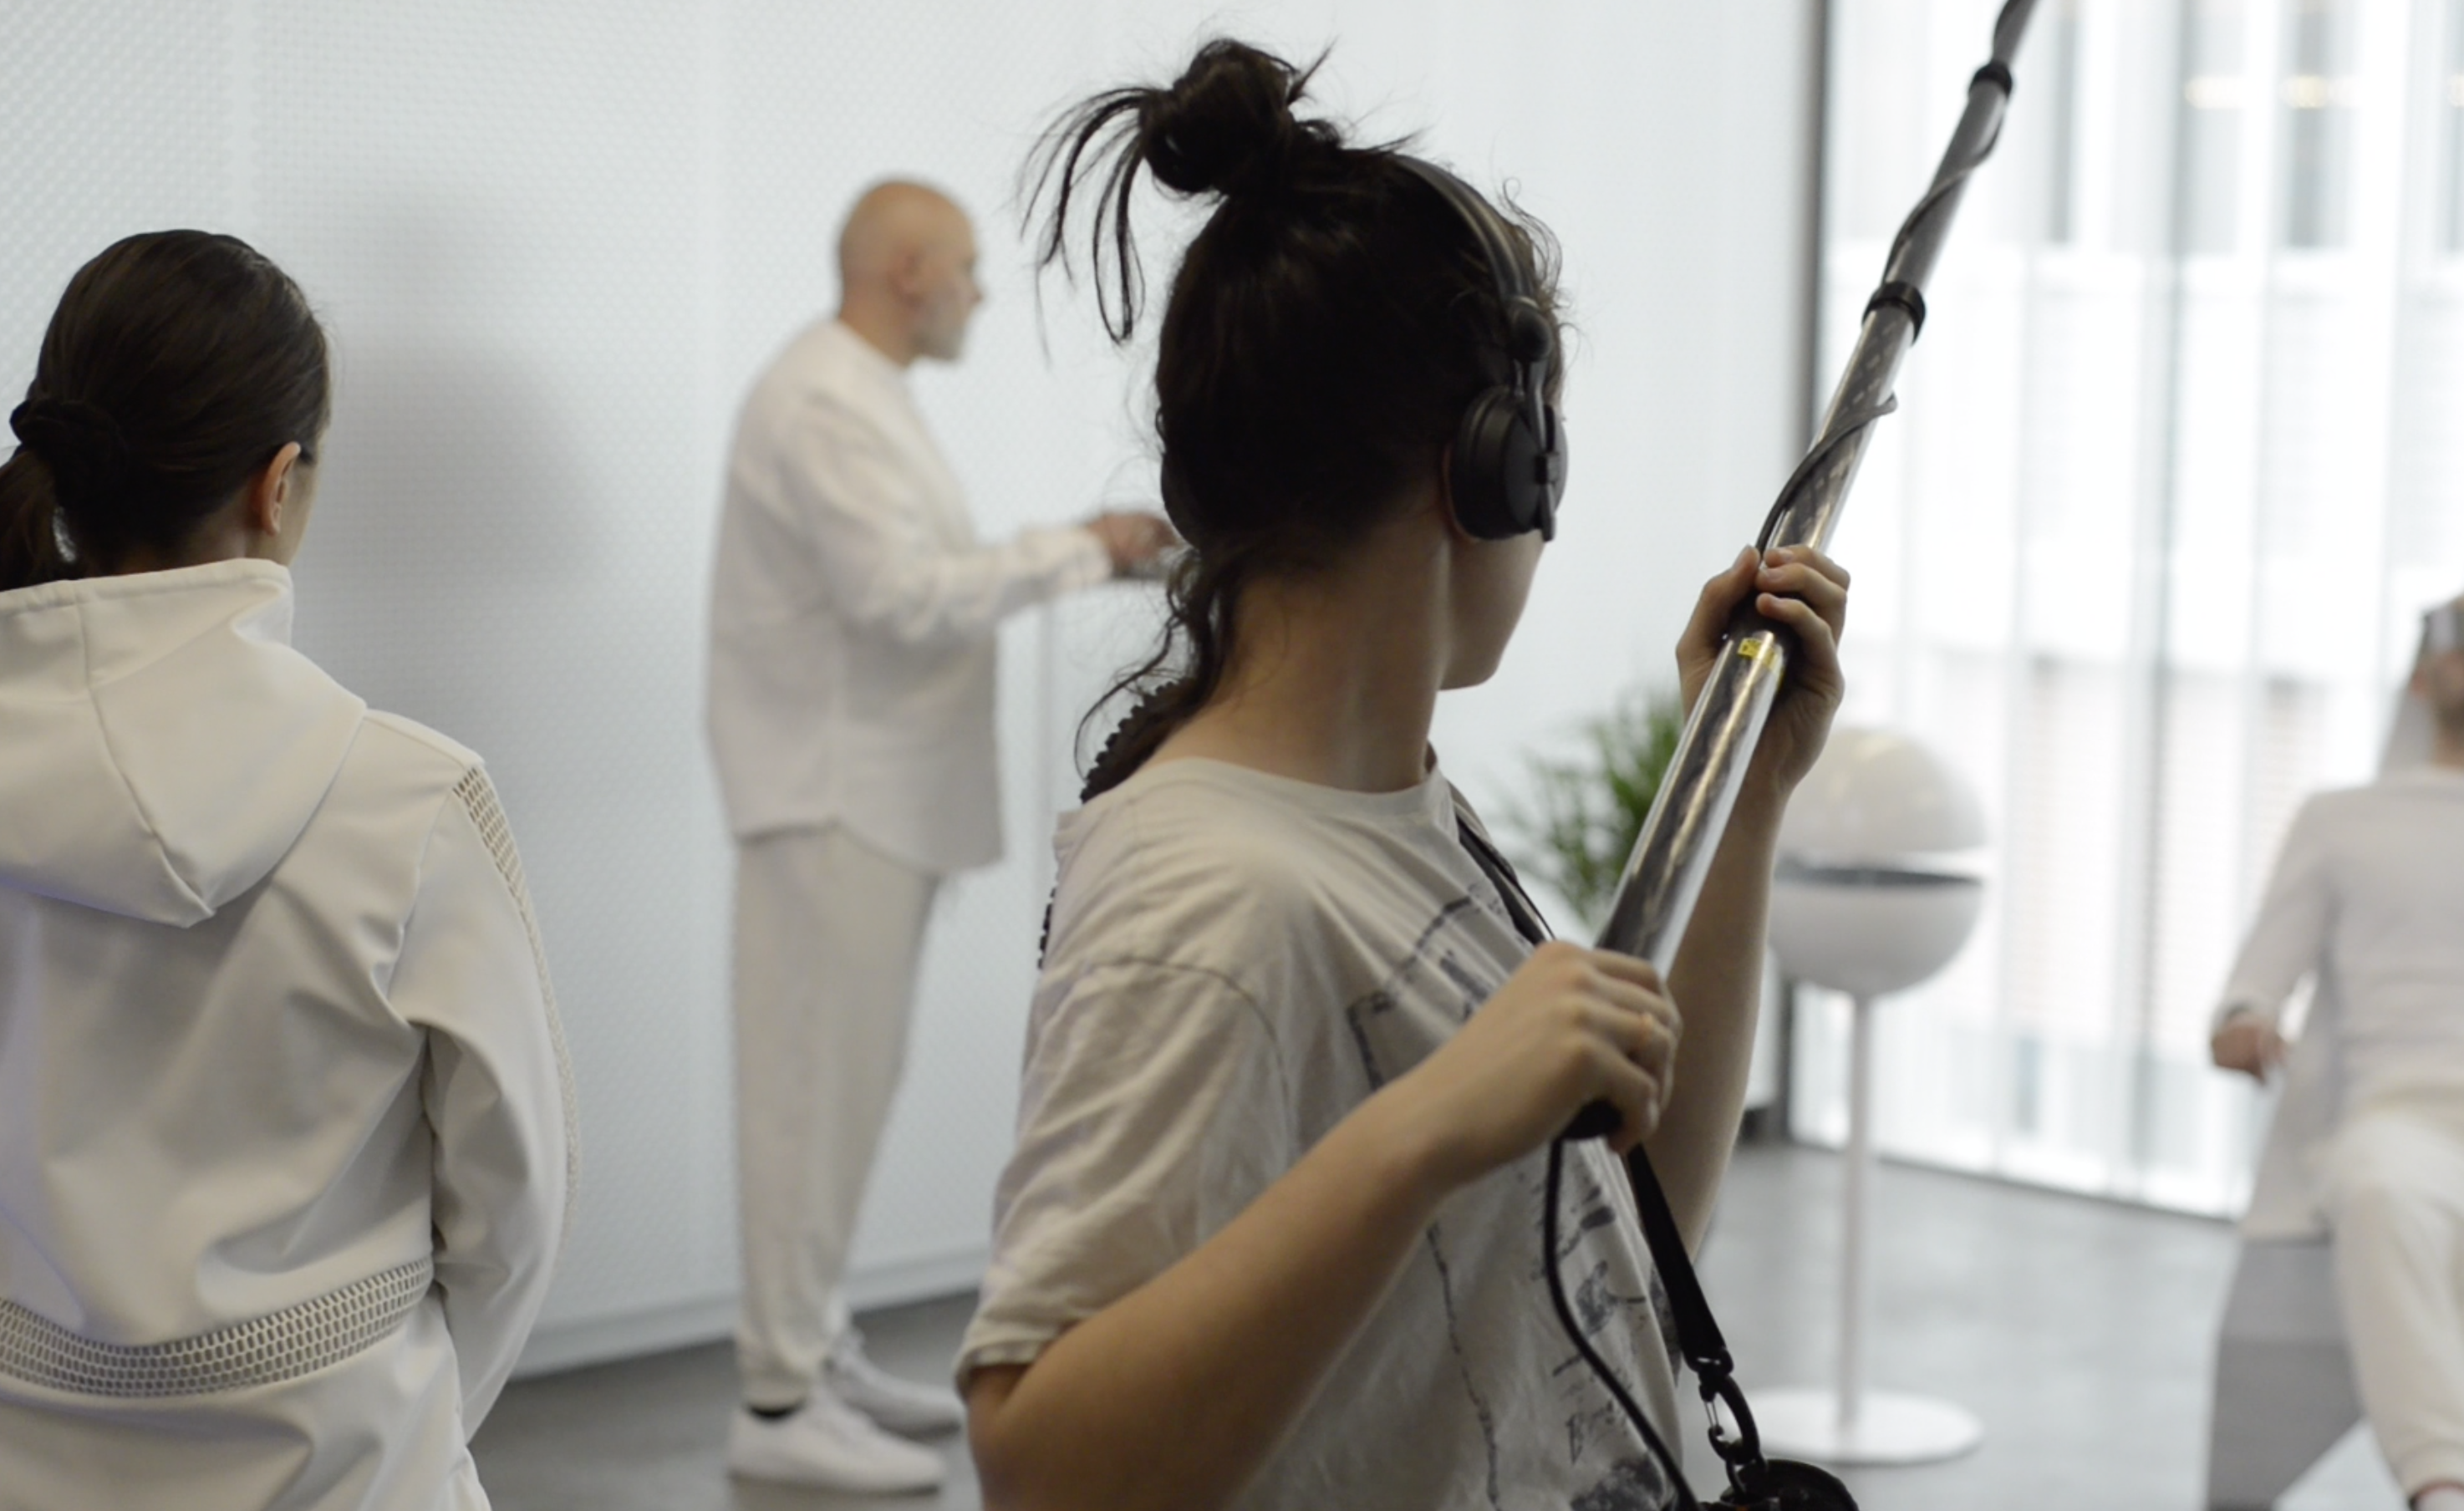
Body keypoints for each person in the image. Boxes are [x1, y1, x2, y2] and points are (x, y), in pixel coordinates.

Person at [951, 41, 1852, 1511]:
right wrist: (1423, 1129)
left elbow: (1622, 1248)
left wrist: (1741, 796)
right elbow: (1042, 1469)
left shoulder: (1383, 812)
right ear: (1495, 464)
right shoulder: (1209, 900)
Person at [0, 231, 576, 1510]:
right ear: (279, 483)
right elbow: (514, 1212)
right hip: (348, 1464)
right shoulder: (409, 802)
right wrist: (405, 1417)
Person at [705, 181, 1176, 1492]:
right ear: (907, 271)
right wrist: (1081, 550)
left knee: (841, 1099)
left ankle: (810, 1353)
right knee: (809, 1103)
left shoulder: (861, 395)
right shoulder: (821, 400)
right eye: (966, 268)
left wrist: (1082, 551)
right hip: (834, 799)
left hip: (867, 802)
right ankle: (777, 1401)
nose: (978, 293)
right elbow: (902, 598)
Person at [2211, 589, 2464, 1511]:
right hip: (2415, 1112)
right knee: (2379, 1195)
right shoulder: (2344, 817)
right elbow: (2255, 979)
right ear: (2423, 675)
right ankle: (2447, 1485)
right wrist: (2245, 1018)